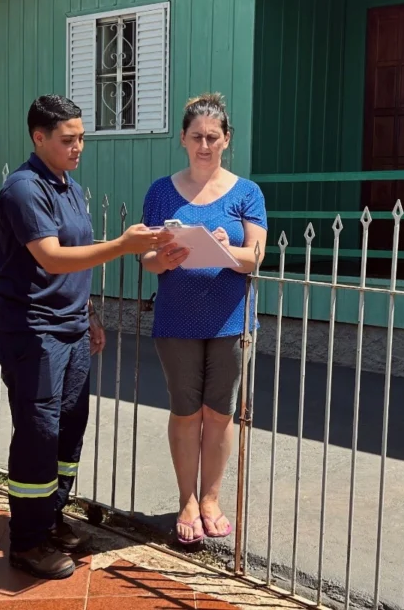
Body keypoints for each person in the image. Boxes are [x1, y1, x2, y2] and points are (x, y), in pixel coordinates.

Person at [0, 94, 173, 579]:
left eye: (81, 138)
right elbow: (50, 257)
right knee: (39, 432)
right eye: (68, 140)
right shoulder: (23, 190)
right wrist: (122, 246)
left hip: (70, 326)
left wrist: (89, 313)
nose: (78, 148)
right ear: (39, 138)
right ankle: (26, 542)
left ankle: (52, 518)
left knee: (70, 426)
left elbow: (72, 258)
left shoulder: (70, 187)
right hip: (33, 330)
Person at [140, 93, 268, 545]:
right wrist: (167, 256)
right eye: (197, 136)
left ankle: (210, 498)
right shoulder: (160, 191)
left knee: (219, 413)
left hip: (231, 321)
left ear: (226, 140)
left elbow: (255, 256)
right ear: (183, 139)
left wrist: (223, 248)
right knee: (185, 411)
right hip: (176, 320)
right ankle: (186, 500)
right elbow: (148, 260)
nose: (205, 145)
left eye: (213, 137)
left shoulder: (247, 192)